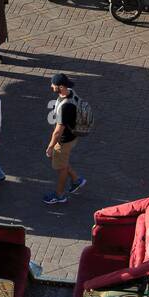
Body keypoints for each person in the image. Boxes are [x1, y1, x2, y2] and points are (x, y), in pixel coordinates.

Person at [44, 72, 87, 205]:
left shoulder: (65, 106)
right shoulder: (71, 92)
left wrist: (50, 147)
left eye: (54, 84)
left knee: (60, 167)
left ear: (61, 86)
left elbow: (58, 131)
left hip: (63, 140)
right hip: (72, 136)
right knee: (61, 161)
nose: (51, 86)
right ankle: (76, 180)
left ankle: (59, 195)